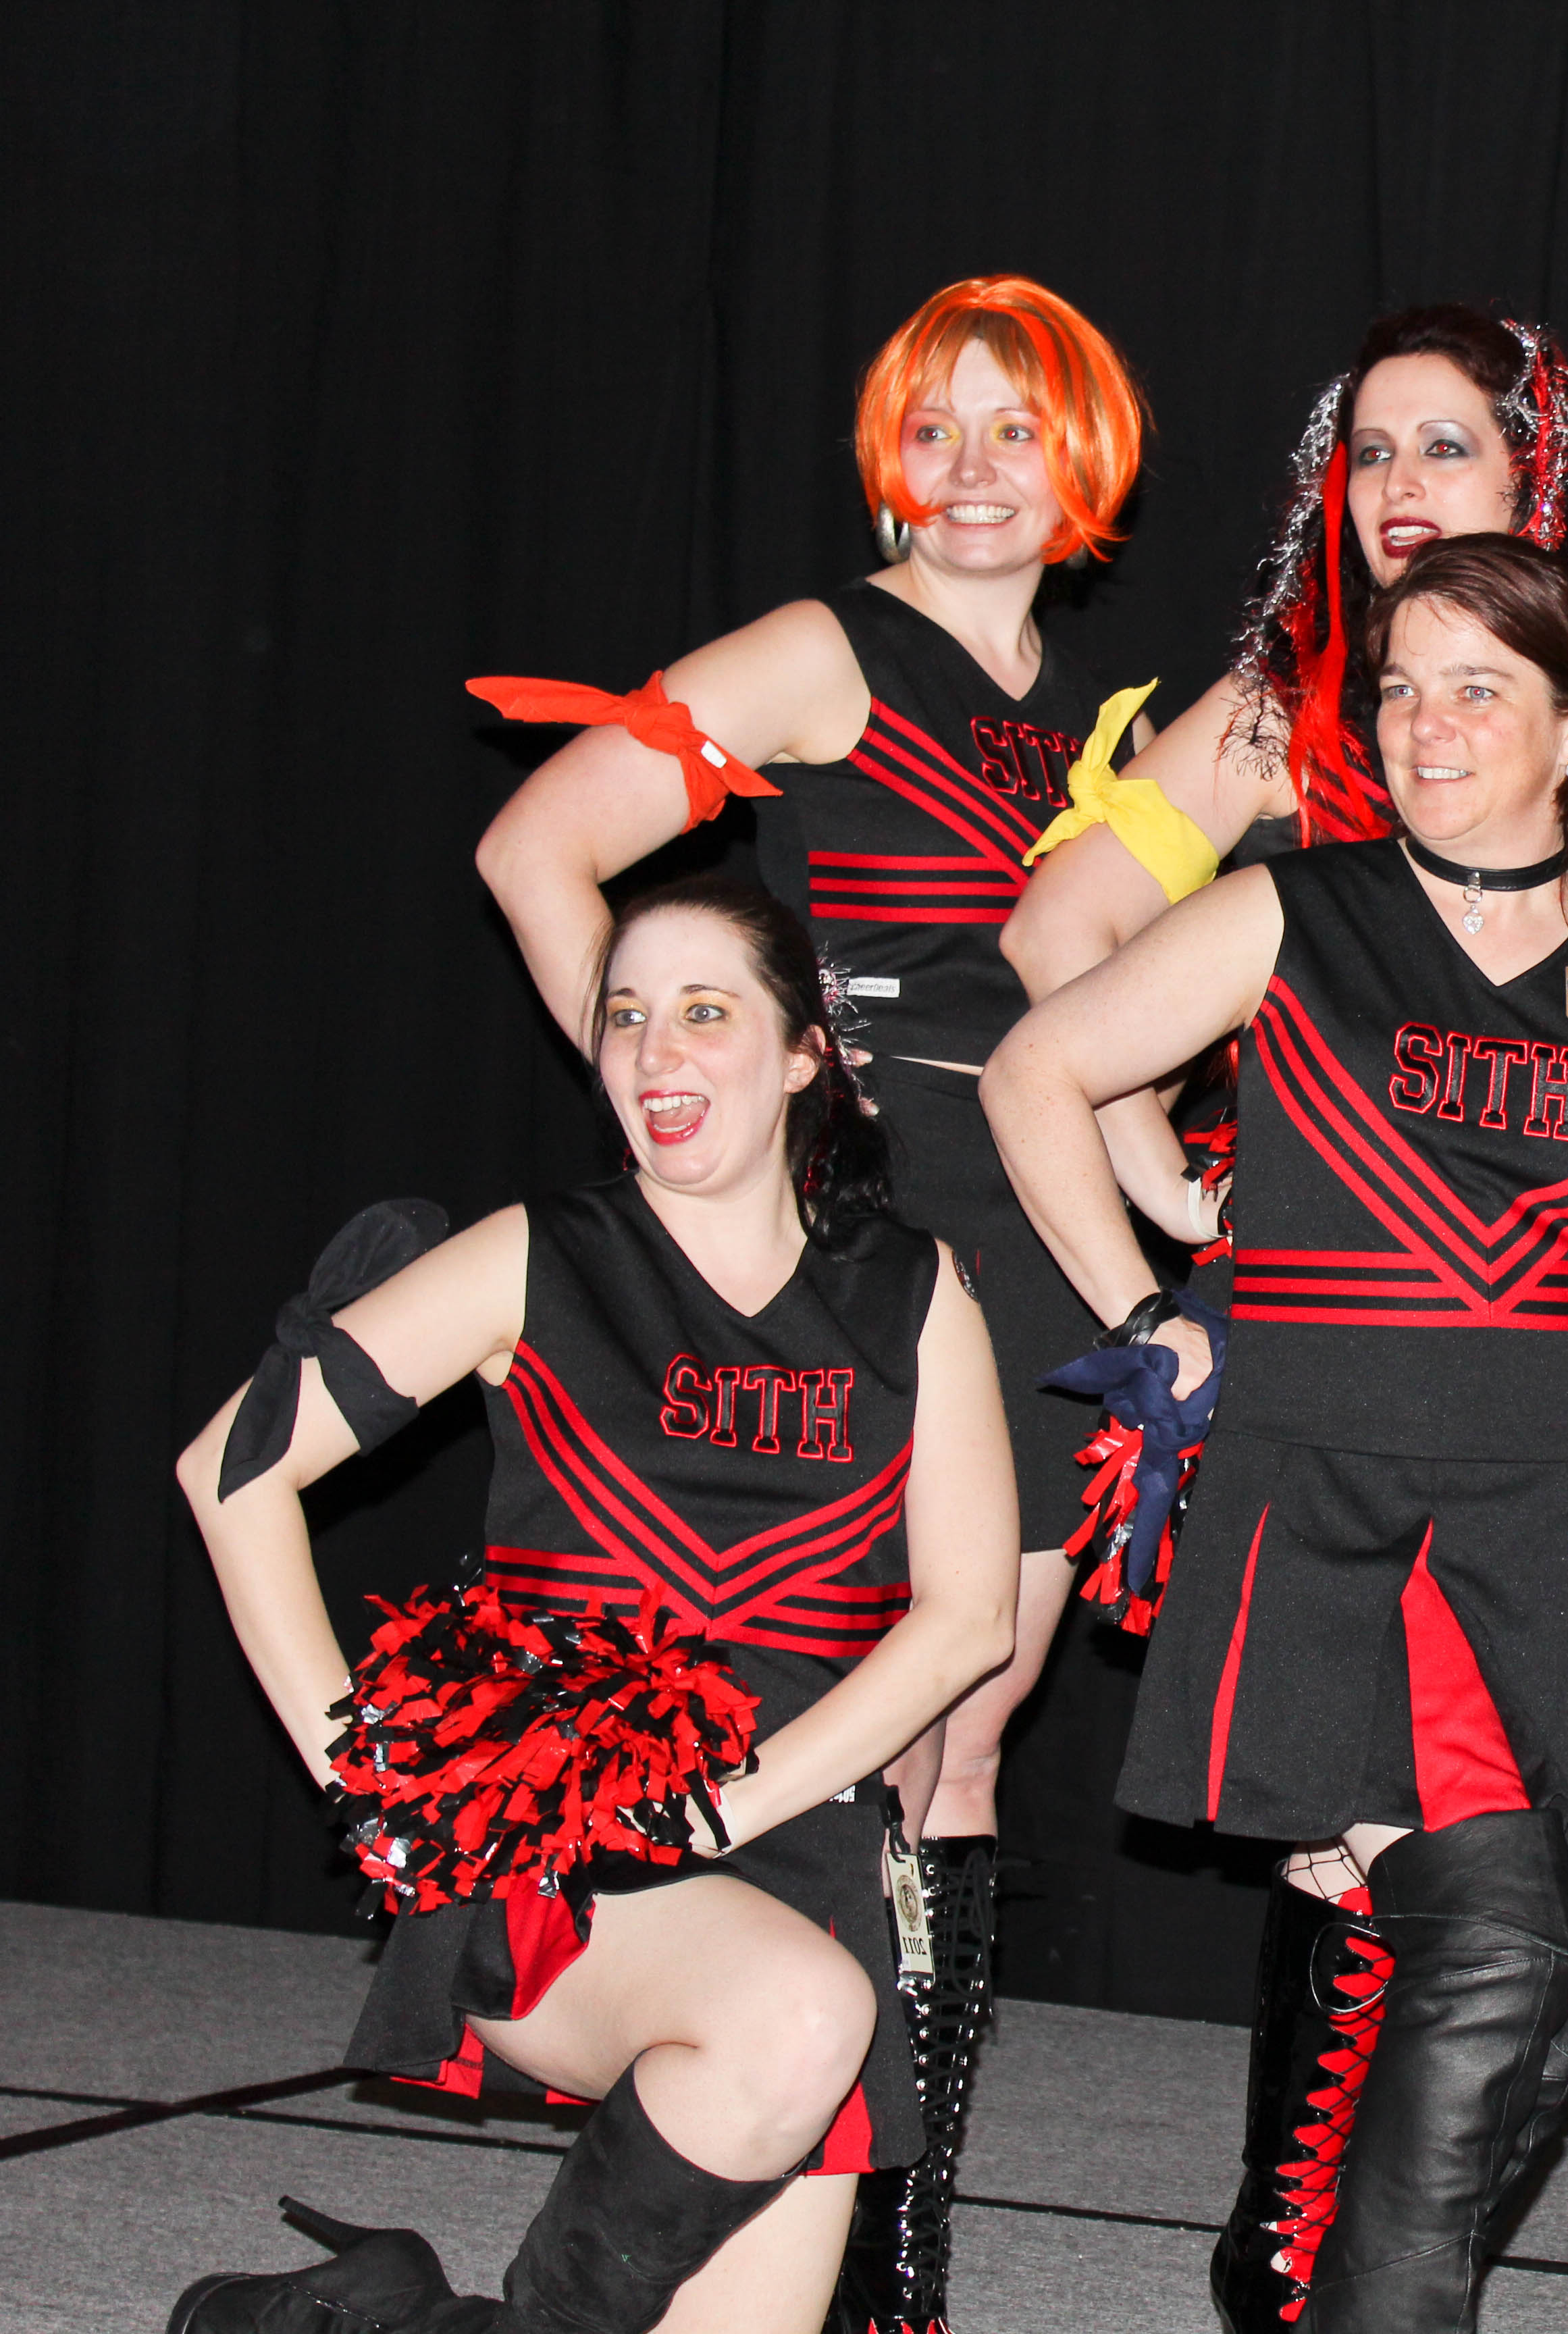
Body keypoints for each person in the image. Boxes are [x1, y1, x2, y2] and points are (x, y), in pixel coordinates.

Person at [469, 274, 1147, 2328]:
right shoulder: (826, 650)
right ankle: (757, 2172)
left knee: (970, 1739)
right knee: (863, 1743)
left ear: (1085, 456)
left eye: (1014, 427)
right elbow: (537, 847)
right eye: (934, 427)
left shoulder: (1099, 715)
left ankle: (893, 2258)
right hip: (866, 1251)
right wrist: (696, 1116)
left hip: (1046, 1260)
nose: (972, 467)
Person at [984, 536, 1568, 2331]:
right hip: (1340, 1523)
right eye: (1400, 690)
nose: (1427, 725)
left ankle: (1304, 2275)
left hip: (1559, 1534)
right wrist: (1151, 1309)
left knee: (1545, 1948)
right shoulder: (1298, 911)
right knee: (1508, 1931)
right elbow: (1036, 1070)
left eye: (1478, 689)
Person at [168, 878, 1018, 2334]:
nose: (655, 1051)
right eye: (626, 1016)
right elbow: (230, 1472)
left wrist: (739, 1806)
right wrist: (370, 1781)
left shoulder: (913, 1290)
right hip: (569, 1868)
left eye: (704, 1012)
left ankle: (383, 2317)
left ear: (804, 1054)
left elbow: (967, 1619)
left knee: (807, 2004)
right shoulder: (541, 1255)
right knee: (802, 2010)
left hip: (799, 1861)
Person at [1003, 303, 1568, 1066]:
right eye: (1372, 454)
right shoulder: (1277, 717)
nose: (1399, 483)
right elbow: (1055, 930)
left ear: (1529, 477)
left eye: (1443, 447)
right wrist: (1147, 1146)